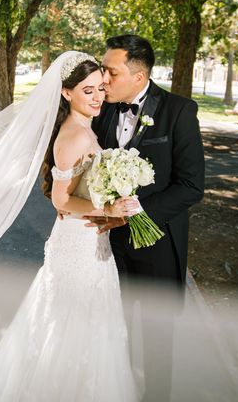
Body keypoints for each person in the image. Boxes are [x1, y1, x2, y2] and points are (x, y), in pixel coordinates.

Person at [0, 51, 142, 401]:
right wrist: (107, 207)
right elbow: (61, 200)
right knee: (70, 325)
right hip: (75, 246)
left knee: (89, 324)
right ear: (66, 93)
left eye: (101, 88)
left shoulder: (87, 127)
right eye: (88, 91)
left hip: (91, 241)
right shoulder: (72, 136)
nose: (99, 96)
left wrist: (112, 213)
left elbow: (83, 190)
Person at [87, 34, 205, 402]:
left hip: (158, 245)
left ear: (139, 77)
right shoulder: (101, 108)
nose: (103, 79)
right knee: (111, 334)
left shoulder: (179, 111)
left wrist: (134, 216)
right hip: (107, 248)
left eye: (111, 71)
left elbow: (190, 186)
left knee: (156, 342)